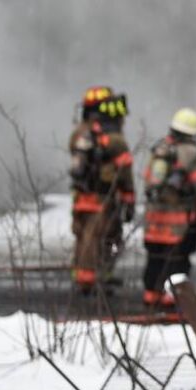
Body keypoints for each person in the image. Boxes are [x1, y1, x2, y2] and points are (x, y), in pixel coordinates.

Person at [141, 108, 196, 310]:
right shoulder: (192, 154)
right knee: (177, 263)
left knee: (154, 260)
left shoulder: (160, 151)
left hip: (154, 223)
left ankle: (150, 298)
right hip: (178, 226)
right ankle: (171, 305)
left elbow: (148, 182)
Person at [68, 87, 134, 294]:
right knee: (99, 237)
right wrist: (129, 199)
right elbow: (125, 172)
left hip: (81, 196)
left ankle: (88, 276)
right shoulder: (114, 139)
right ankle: (90, 281)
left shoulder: (80, 134)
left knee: (85, 236)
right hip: (102, 198)